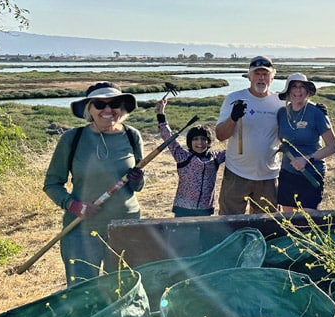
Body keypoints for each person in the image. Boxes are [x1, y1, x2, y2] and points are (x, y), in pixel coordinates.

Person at [43, 82, 145, 285]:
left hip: (125, 226)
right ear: (89, 108)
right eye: (99, 104)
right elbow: (52, 184)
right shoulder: (72, 139)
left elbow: (137, 186)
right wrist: (73, 205)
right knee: (82, 290)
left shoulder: (133, 136)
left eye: (114, 103)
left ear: (122, 107)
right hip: (81, 230)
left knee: (121, 287)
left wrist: (138, 180)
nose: (108, 110)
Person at [215, 56, 285, 215]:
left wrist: (317, 111)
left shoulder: (279, 102)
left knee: (267, 224)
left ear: (272, 77)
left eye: (265, 74)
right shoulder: (234, 99)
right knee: (229, 222)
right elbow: (220, 135)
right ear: (249, 76)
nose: (261, 78)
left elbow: (299, 108)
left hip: (269, 175)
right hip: (237, 173)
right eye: (257, 74)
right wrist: (233, 118)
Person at [276, 73, 335, 212]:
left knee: (309, 218)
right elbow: (278, 138)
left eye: (302, 87)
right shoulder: (281, 113)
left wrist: (307, 159)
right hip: (287, 172)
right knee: (288, 219)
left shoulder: (316, 113)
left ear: (307, 91)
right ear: (288, 91)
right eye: (294, 87)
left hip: (311, 173)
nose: (298, 91)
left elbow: (333, 146)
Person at [156, 98, 225, 217]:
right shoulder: (182, 156)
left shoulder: (215, 158)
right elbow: (168, 137)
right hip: (183, 208)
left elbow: (234, 153)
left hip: (206, 208)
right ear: (189, 142)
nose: (200, 143)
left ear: (209, 142)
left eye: (204, 139)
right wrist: (161, 113)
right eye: (195, 139)